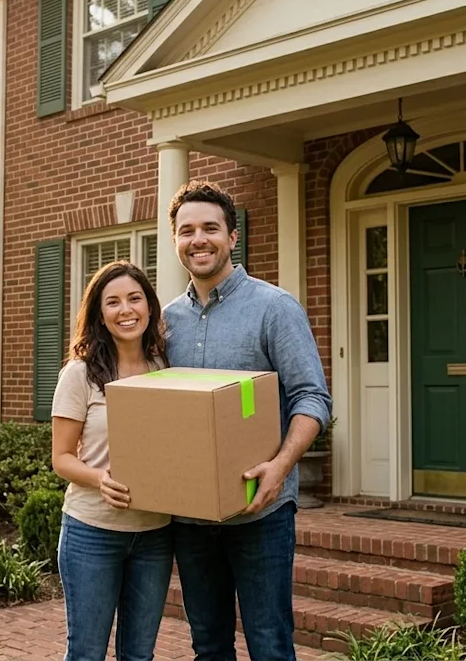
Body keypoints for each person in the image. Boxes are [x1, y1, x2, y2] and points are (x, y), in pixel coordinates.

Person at [162, 180, 333, 660]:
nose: (199, 239)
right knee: (209, 645)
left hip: (261, 511)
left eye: (210, 228)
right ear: (175, 239)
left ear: (232, 237)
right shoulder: (164, 320)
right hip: (190, 515)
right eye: (187, 230)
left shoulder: (274, 308)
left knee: (271, 645)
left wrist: (280, 467)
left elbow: (312, 398)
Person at [51, 260, 174, 661]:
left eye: (135, 299)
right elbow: (62, 459)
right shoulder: (80, 374)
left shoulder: (164, 369)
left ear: (150, 307)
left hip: (155, 533)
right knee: (87, 653)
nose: (126, 310)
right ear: (100, 316)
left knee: (139, 655)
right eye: (113, 302)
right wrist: (100, 478)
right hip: (93, 532)